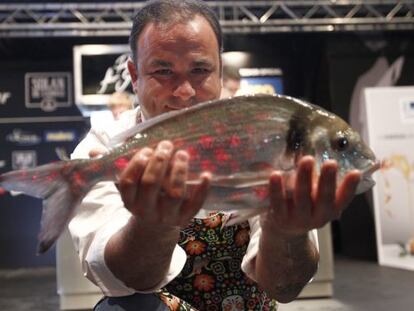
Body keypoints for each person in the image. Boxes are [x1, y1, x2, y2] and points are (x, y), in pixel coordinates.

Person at [69, 0, 361, 310]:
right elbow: (124, 278)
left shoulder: (261, 133)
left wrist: (288, 232)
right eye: (163, 71)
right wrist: (151, 224)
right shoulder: (104, 146)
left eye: (200, 70)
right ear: (134, 74)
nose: (184, 92)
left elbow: (284, 286)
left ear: (219, 71)